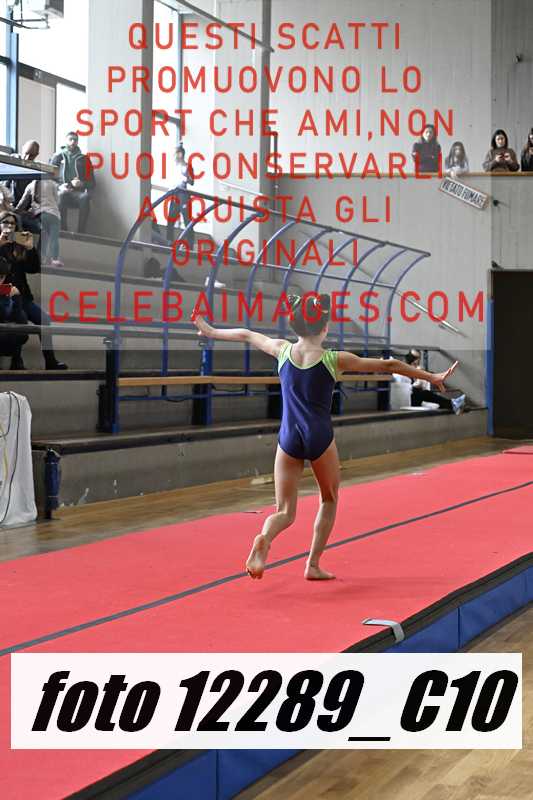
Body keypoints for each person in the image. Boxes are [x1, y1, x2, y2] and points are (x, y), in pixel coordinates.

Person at [192, 294, 459, 581]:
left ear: (295, 325)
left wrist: (209, 330)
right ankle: (312, 564)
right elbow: (390, 365)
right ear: (325, 327)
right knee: (329, 499)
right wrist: (431, 377)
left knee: (284, 511)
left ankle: (265, 538)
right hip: (319, 435)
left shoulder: (281, 350)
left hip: (289, 437)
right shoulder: (334, 359)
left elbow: (246, 334)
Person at [0, 211, 67, 370]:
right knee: (18, 320)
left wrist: (30, 248)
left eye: (12, 223)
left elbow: (34, 268)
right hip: (3, 296)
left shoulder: (18, 246)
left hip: (22, 296)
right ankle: (17, 361)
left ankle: (50, 361)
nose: (9, 226)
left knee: (44, 320)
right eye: (5, 222)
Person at [394, 349, 465, 414]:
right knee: (425, 393)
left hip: (411, 397)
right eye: (414, 359)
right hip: (405, 400)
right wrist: (415, 385)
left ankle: (452, 404)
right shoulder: (401, 372)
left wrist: (419, 381)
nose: (417, 361)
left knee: (428, 396)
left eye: (418, 358)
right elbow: (403, 390)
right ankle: (452, 404)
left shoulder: (414, 370)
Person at [50, 132, 95, 233]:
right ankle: (63, 230)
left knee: (85, 197)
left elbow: (92, 182)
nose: (73, 142)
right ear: (65, 141)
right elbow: (48, 179)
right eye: (70, 139)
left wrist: (82, 183)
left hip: (77, 193)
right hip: (61, 191)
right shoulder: (57, 157)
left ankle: (81, 232)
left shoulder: (85, 159)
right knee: (61, 195)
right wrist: (59, 186)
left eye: (75, 140)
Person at [16, 179, 63, 267]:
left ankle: (40, 257)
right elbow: (58, 200)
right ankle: (55, 259)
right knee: (54, 238)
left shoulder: (31, 185)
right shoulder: (52, 183)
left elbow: (22, 202)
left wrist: (16, 211)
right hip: (54, 214)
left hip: (40, 214)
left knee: (43, 235)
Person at [0, 256, 28, 368]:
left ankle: (16, 360)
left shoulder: (7, 291)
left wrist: (16, 296)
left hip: (5, 334)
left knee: (20, 326)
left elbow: (21, 319)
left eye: (1, 277)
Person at [166, 144, 195, 248]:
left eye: (175, 154)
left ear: (180, 154)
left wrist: (185, 176)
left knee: (186, 219)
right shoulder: (173, 168)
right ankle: (169, 241)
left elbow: (192, 181)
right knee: (170, 219)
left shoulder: (187, 166)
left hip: (183, 194)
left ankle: (190, 244)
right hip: (174, 194)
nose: (173, 156)